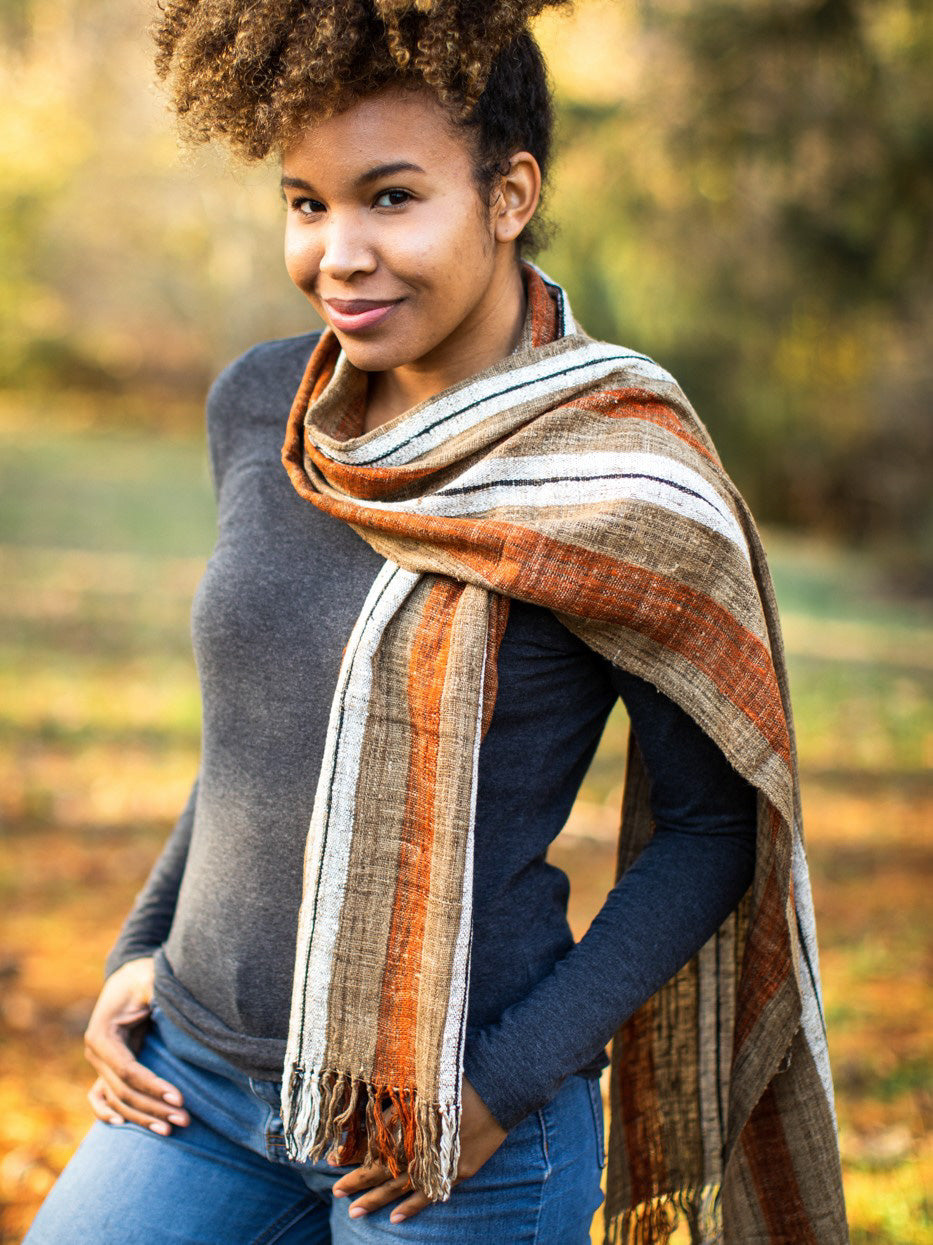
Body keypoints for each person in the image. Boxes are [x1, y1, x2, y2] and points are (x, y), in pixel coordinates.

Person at [25, 2, 848, 1242]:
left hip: (450, 1135)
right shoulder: (267, 406)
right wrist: (136, 951)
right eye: (306, 203)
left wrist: (495, 1096)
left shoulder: (620, 476)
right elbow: (262, 734)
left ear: (509, 193)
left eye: (392, 197)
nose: (338, 254)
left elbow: (708, 829)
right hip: (192, 1083)